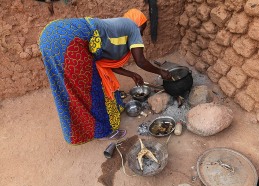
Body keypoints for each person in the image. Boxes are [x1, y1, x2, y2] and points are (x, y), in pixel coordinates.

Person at [39, 8, 172, 145]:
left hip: (49, 34)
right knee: (93, 90)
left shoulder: (114, 29)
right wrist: (161, 72)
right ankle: (103, 132)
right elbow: (141, 61)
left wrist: (131, 75)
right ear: (138, 24)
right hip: (70, 42)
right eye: (142, 29)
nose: (141, 34)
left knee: (67, 89)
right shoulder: (132, 27)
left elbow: (106, 63)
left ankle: (82, 128)